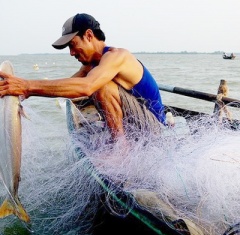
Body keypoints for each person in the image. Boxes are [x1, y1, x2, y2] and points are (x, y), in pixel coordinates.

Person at [0, 13, 166, 141]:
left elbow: (87, 86)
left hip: (154, 128)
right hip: (134, 123)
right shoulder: (91, 66)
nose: (71, 53)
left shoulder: (117, 56)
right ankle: (119, 140)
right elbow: (71, 86)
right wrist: (24, 93)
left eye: (72, 45)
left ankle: (120, 150)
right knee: (85, 90)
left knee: (101, 85)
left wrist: (27, 85)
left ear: (88, 35)